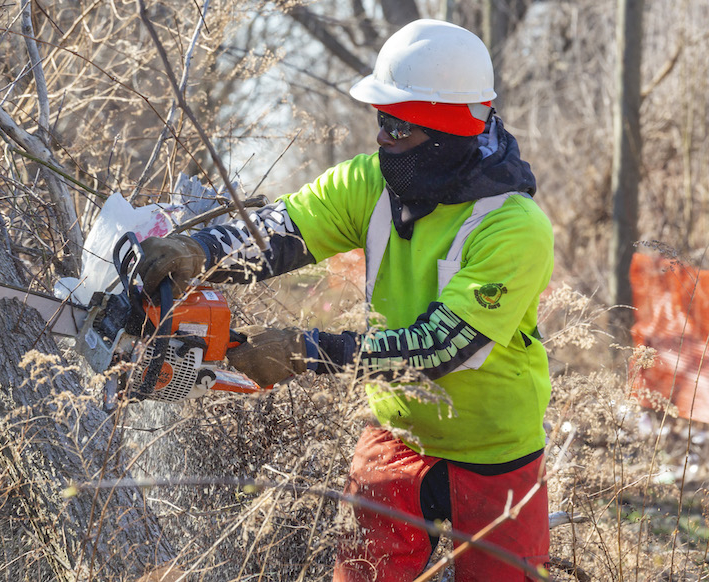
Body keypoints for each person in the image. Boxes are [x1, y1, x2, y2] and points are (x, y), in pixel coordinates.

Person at [136, 19, 553, 582]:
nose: (381, 137)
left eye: (397, 125)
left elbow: (440, 347)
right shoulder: (371, 182)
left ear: (446, 129)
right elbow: (281, 231)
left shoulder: (514, 225)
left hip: (496, 450)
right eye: (380, 120)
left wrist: (308, 351)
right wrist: (201, 249)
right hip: (395, 435)